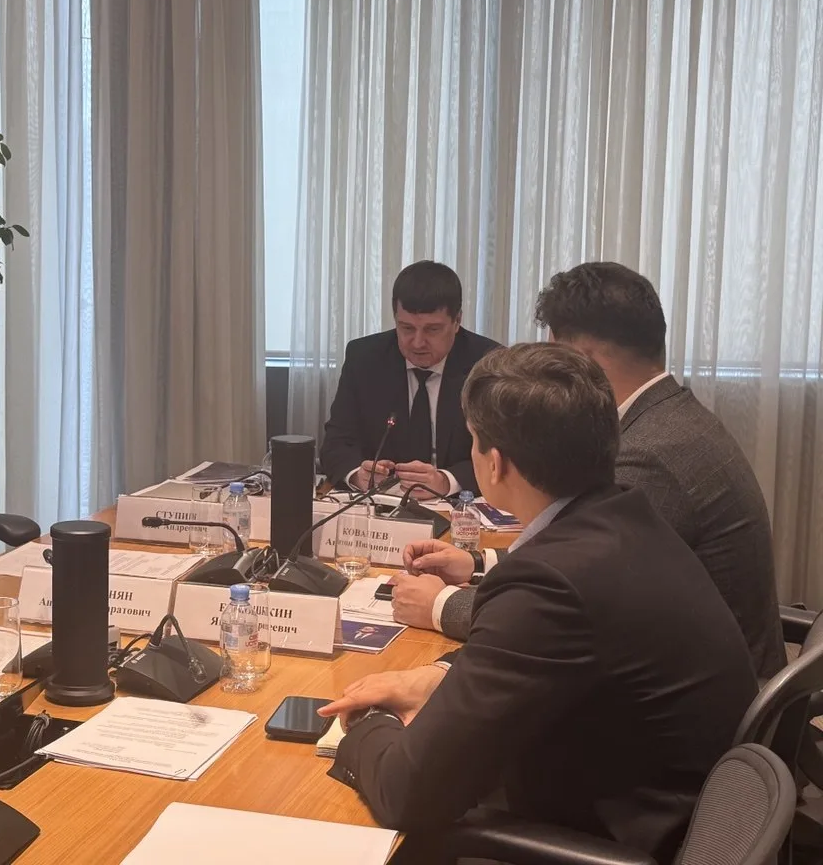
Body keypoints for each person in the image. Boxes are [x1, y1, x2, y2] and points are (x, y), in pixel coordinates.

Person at [321, 343, 757, 862]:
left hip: (612, 835)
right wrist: (436, 678)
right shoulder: (626, 517)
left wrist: (367, 723)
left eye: (474, 440)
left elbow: (407, 792)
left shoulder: (550, 582)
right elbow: (545, 655)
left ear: (495, 465)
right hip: (678, 804)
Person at [393, 262, 785, 679]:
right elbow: (582, 562)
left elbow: (560, 611)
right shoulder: (667, 417)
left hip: (703, 696)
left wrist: (440, 605)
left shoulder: (648, 456)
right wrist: (476, 562)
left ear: (579, 362)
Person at [319, 261, 498, 497]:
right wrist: (357, 475)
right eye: (406, 328)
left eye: (432, 330)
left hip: (458, 505)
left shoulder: (488, 364)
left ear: (457, 322)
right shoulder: (364, 358)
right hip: (379, 503)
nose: (417, 342)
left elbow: (501, 455)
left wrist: (447, 481)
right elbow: (336, 443)